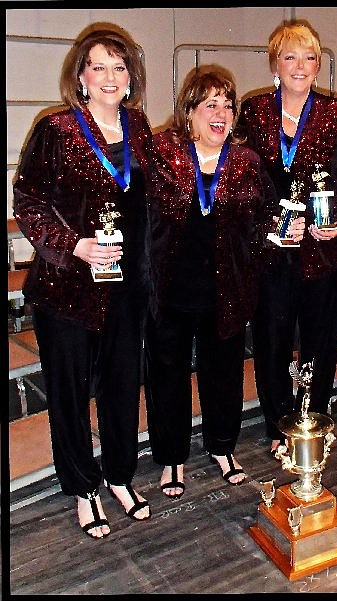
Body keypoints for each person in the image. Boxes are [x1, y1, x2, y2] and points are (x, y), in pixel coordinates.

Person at [13, 25, 154, 539]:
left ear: (130, 77)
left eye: (119, 67)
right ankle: (83, 488)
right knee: (70, 395)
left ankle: (119, 476)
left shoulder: (138, 128)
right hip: (68, 289)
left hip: (125, 289)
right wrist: (75, 245)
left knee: (121, 388)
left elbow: (151, 201)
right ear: (81, 75)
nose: (110, 76)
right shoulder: (57, 129)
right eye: (99, 66)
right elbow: (27, 200)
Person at [144, 68, 285, 498]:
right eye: (210, 105)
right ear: (189, 112)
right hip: (169, 289)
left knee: (223, 373)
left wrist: (279, 233)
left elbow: (264, 220)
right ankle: (171, 459)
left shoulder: (246, 162)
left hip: (225, 290)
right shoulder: (162, 152)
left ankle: (223, 447)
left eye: (227, 104)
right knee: (167, 374)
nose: (220, 113)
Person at [235, 20, 337, 458]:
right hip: (272, 249)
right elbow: (242, 178)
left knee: (321, 338)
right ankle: (276, 423)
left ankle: (313, 418)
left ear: (319, 64)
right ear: (275, 64)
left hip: (321, 248)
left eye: (309, 57)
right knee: (271, 337)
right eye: (290, 56)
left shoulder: (334, 112)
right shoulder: (251, 111)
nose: (300, 65)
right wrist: (272, 222)